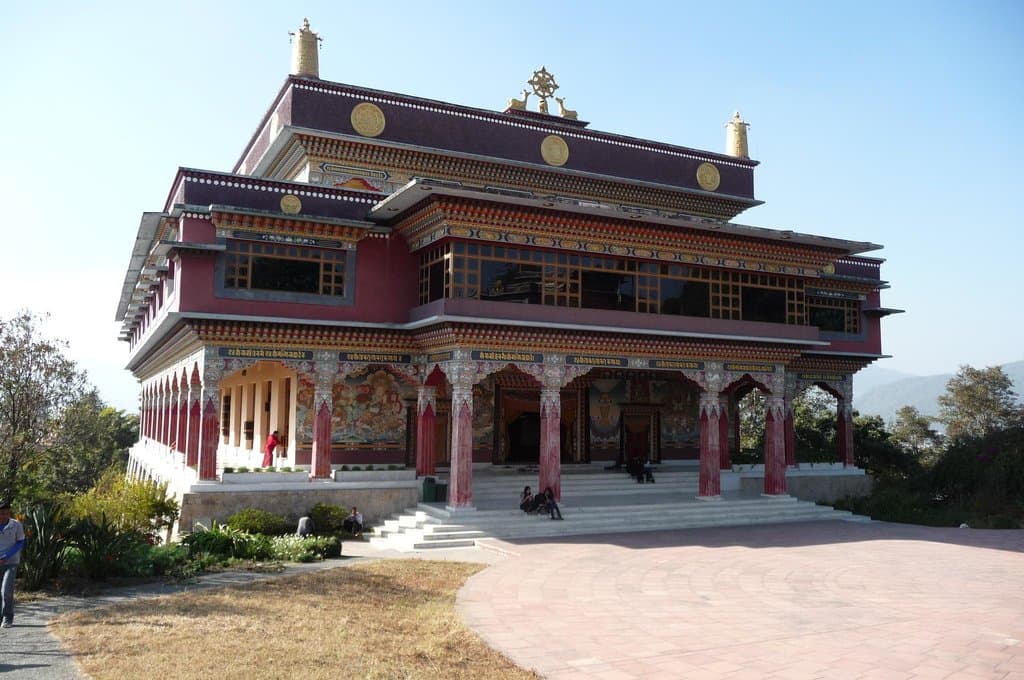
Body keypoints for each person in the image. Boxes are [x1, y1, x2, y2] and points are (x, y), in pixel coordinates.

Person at [0, 503, 26, 629]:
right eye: (1, 513)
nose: (3, 516)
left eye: (6, 513)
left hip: (11, 562)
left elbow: (20, 542)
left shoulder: (16, 525)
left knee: (6, 591)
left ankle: (7, 617)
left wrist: (7, 556)